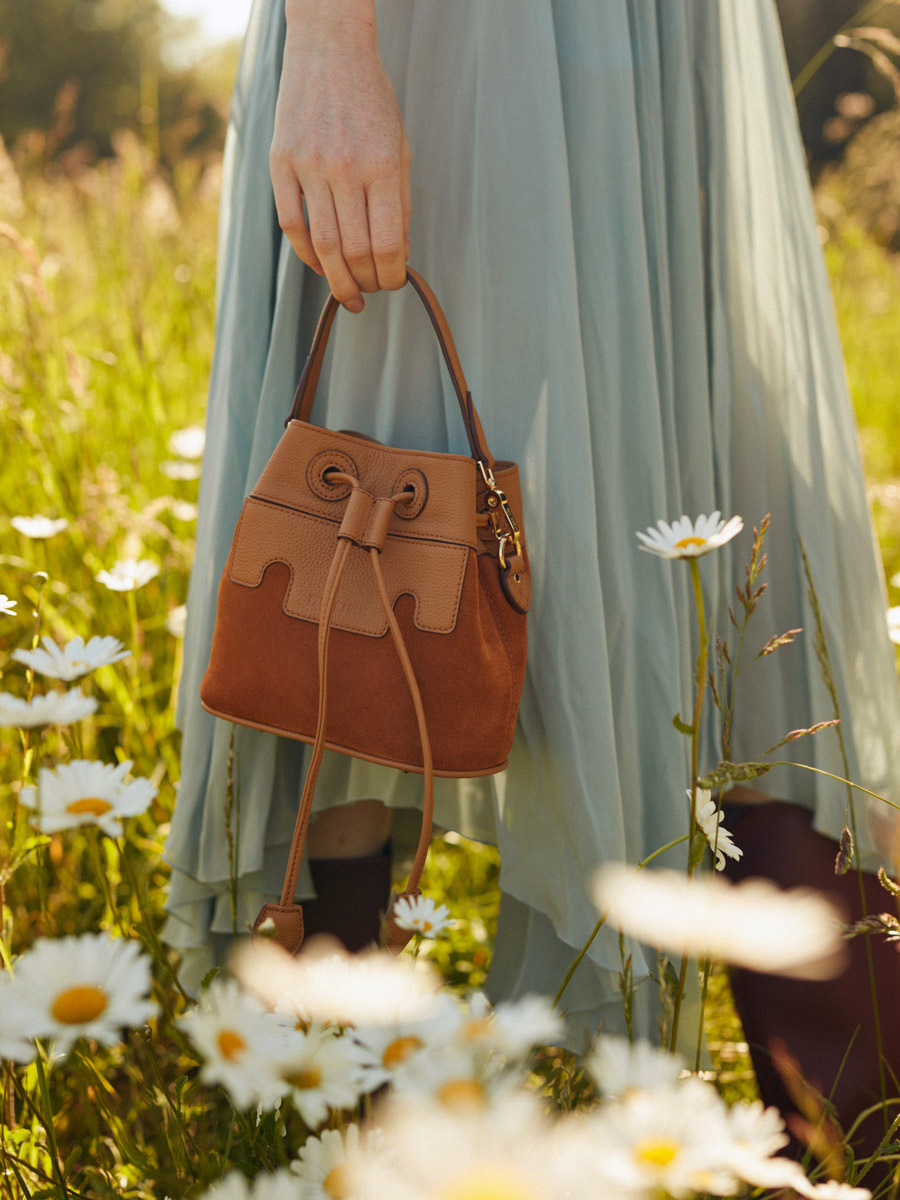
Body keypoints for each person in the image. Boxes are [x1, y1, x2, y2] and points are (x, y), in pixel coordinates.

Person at [162, 0, 900, 1128]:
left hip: (646, 37)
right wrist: (331, 50)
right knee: (369, 475)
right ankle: (337, 1118)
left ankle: (851, 1136)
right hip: (442, 37)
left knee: (720, 484)